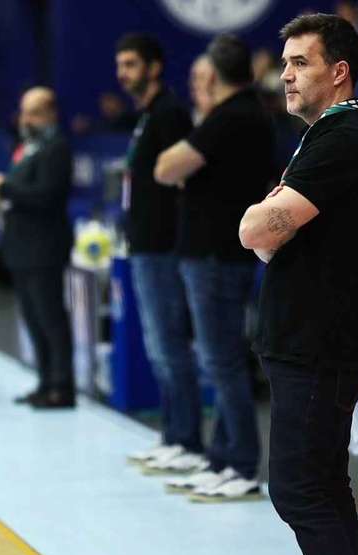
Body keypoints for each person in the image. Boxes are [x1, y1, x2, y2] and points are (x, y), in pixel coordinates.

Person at [239, 13, 358, 555]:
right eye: (284, 64)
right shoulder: (329, 137)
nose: (286, 76)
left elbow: (258, 228)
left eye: (300, 63)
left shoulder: (343, 139)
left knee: (303, 489)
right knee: (323, 486)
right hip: (312, 340)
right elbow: (268, 233)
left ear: (340, 71)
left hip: (320, 344)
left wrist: (263, 222)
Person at [154, 34, 273, 501]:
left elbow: (166, 168)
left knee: (222, 361)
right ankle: (224, 457)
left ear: (215, 75)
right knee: (222, 360)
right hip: (221, 254)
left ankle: (241, 462)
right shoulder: (249, 115)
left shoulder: (230, 117)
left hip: (215, 257)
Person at [113, 33, 203, 469]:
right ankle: (173, 434)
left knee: (170, 345)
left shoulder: (168, 114)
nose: (122, 73)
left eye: (131, 64)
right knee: (158, 346)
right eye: (120, 65)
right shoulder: (147, 115)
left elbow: (180, 184)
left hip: (164, 247)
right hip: (144, 245)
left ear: (153, 66)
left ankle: (186, 440)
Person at [0, 87, 75, 409]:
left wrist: (4, 187)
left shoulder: (57, 149)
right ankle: (45, 381)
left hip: (44, 247)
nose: (26, 119)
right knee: (33, 318)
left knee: (50, 317)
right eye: (24, 112)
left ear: (50, 114)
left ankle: (62, 386)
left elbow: (46, 195)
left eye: (34, 112)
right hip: (21, 246)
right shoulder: (26, 147)